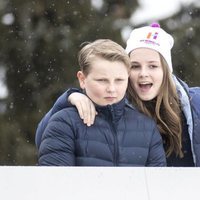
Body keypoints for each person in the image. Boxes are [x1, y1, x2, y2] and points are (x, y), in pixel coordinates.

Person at [36, 23, 200, 167]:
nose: (143, 73)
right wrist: (68, 98)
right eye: (135, 66)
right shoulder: (113, 103)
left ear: (166, 71)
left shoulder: (195, 103)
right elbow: (46, 138)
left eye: (153, 66)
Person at [38, 39, 166, 166]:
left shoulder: (147, 128)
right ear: (82, 79)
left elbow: (157, 184)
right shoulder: (65, 123)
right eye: (102, 80)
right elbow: (56, 183)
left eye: (119, 80)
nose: (111, 89)